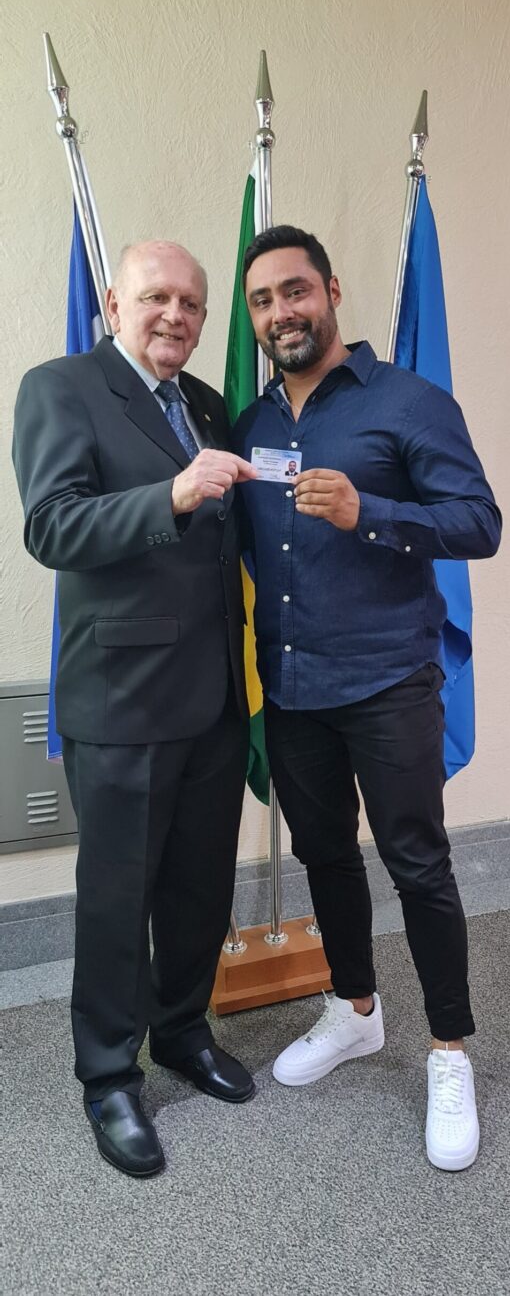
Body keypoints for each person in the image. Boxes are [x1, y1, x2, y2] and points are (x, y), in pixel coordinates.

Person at [232, 225, 502, 1172]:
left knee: (417, 864)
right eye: (263, 300)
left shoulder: (408, 401)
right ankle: (355, 1010)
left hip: (389, 680)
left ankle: (449, 1050)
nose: (281, 312)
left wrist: (370, 512)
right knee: (324, 857)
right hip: (293, 686)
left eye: (295, 291)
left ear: (332, 291)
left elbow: (480, 523)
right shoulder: (252, 426)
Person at [12, 241, 258, 1178]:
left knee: (199, 887)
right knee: (118, 901)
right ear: (115, 304)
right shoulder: (60, 388)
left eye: (191, 304)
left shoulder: (207, 404)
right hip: (122, 699)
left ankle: (182, 1032)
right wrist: (172, 493)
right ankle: (109, 1076)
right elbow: (52, 525)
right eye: (157, 297)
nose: (176, 316)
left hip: (216, 695)